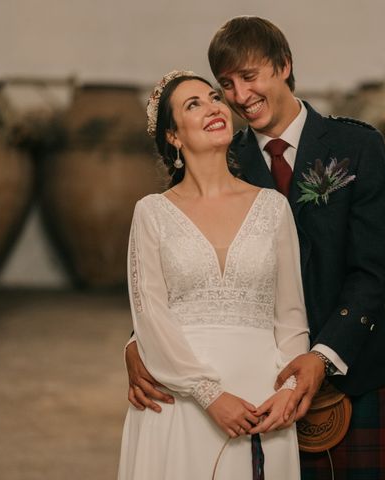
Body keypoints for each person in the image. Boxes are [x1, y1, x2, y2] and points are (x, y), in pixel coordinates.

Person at [126, 16, 385, 479]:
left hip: (348, 369)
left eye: (249, 77)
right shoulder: (222, 154)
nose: (238, 97)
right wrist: (138, 343)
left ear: (283, 66)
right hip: (254, 387)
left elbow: (371, 273)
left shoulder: (356, 145)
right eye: (226, 84)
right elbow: (179, 265)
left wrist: (320, 359)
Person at [117, 70, 310, 480]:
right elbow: (150, 315)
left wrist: (289, 392)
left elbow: (291, 316)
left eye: (213, 98)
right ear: (173, 137)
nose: (213, 108)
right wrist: (209, 396)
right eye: (193, 105)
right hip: (181, 400)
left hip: (263, 402)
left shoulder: (273, 207)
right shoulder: (151, 213)